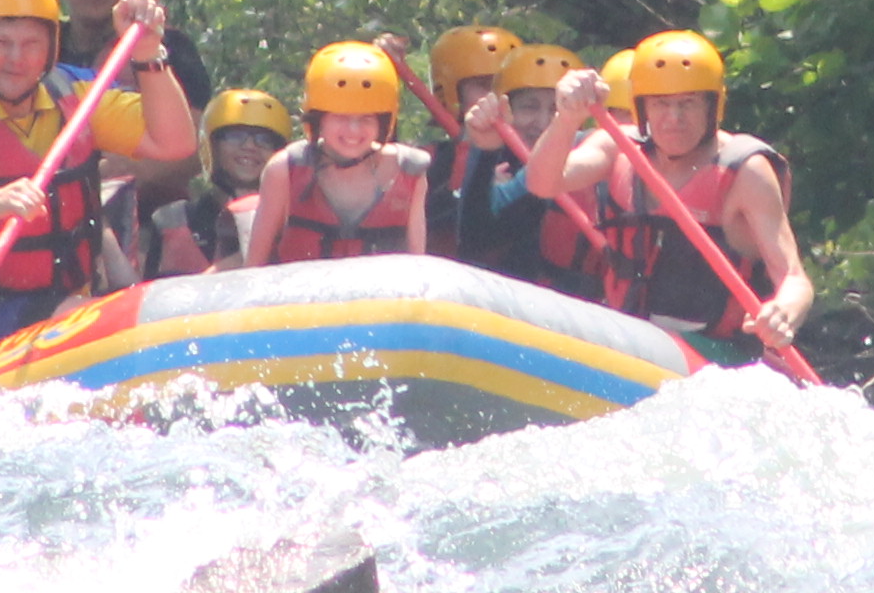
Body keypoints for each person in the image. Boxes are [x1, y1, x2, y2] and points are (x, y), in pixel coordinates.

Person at [0, 0, 195, 344]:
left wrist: (147, 55)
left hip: (70, 302)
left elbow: (175, 143)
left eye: (31, 44)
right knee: (83, 315)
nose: (16, 58)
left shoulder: (77, 94)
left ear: (51, 47)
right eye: (1, 43)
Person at [549, 29, 812, 364]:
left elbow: (794, 279)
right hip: (629, 335)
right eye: (661, 103)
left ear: (712, 107)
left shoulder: (747, 172)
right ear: (642, 108)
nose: (674, 118)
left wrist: (783, 311)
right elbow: (545, 182)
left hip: (715, 354)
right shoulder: (618, 147)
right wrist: (566, 118)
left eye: (688, 103)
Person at [41, 0, 216, 191]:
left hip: (147, 210)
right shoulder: (36, 49)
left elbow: (196, 146)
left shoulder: (169, 45)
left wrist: (117, 176)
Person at [249, 43, 432, 263]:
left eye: (366, 118)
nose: (353, 130)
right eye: (341, 117)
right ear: (319, 119)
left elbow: (417, 266)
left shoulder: (410, 172)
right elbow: (254, 268)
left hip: (381, 287)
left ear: (383, 122)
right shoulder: (284, 170)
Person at [439, 39, 587, 282]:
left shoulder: (589, 155)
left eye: (556, 109)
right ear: (506, 111)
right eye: (529, 107)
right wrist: (485, 159)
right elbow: (474, 239)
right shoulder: (500, 167)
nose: (543, 123)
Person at [129, 86, 290, 275]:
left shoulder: (291, 221)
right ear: (211, 146)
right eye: (235, 136)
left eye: (264, 140)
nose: (249, 146)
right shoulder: (172, 219)